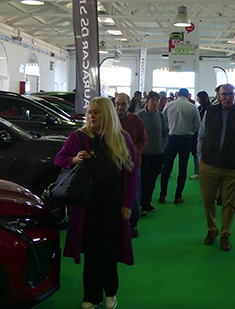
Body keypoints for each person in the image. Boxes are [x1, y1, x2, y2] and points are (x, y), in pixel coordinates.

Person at [54, 97, 138, 309]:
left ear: (107, 114)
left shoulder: (122, 139)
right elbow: (59, 159)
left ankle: (110, 292)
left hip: (113, 206)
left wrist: (128, 204)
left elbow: (131, 174)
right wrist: (74, 159)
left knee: (109, 250)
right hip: (87, 206)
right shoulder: (78, 137)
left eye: (97, 112)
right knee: (91, 252)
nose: (92, 116)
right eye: (90, 112)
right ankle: (91, 296)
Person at [198, 83, 235, 251]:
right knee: (208, 200)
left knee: (229, 203)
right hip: (208, 164)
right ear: (218, 96)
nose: (227, 97)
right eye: (224, 94)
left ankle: (225, 235)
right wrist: (200, 158)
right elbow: (201, 135)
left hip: (233, 166)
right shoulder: (209, 112)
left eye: (230, 94)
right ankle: (211, 229)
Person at [159, 88, 200, 204]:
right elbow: (198, 126)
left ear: (178, 95)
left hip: (171, 138)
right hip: (186, 139)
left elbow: (163, 121)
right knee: (183, 168)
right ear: (188, 95)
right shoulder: (193, 107)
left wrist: (171, 128)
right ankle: (178, 196)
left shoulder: (169, 105)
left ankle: (162, 195)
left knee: (166, 168)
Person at [115, 93, 147, 238]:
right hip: (114, 165)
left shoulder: (136, 119)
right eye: (117, 104)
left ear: (129, 104)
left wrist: (134, 150)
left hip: (133, 165)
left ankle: (132, 225)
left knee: (133, 196)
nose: (120, 107)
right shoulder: (110, 119)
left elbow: (143, 139)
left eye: (123, 104)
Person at [137, 91, 169, 215]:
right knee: (145, 179)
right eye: (153, 100)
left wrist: (163, 145)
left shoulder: (161, 116)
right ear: (147, 101)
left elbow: (165, 132)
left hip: (158, 153)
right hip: (144, 154)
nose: (155, 103)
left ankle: (147, 201)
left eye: (157, 100)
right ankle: (144, 204)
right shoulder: (140, 116)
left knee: (153, 179)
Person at [189, 90, 212, 181]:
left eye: (198, 97)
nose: (197, 99)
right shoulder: (198, 108)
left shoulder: (210, 109)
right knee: (196, 152)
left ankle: (205, 171)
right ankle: (197, 171)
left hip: (207, 134)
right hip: (197, 134)